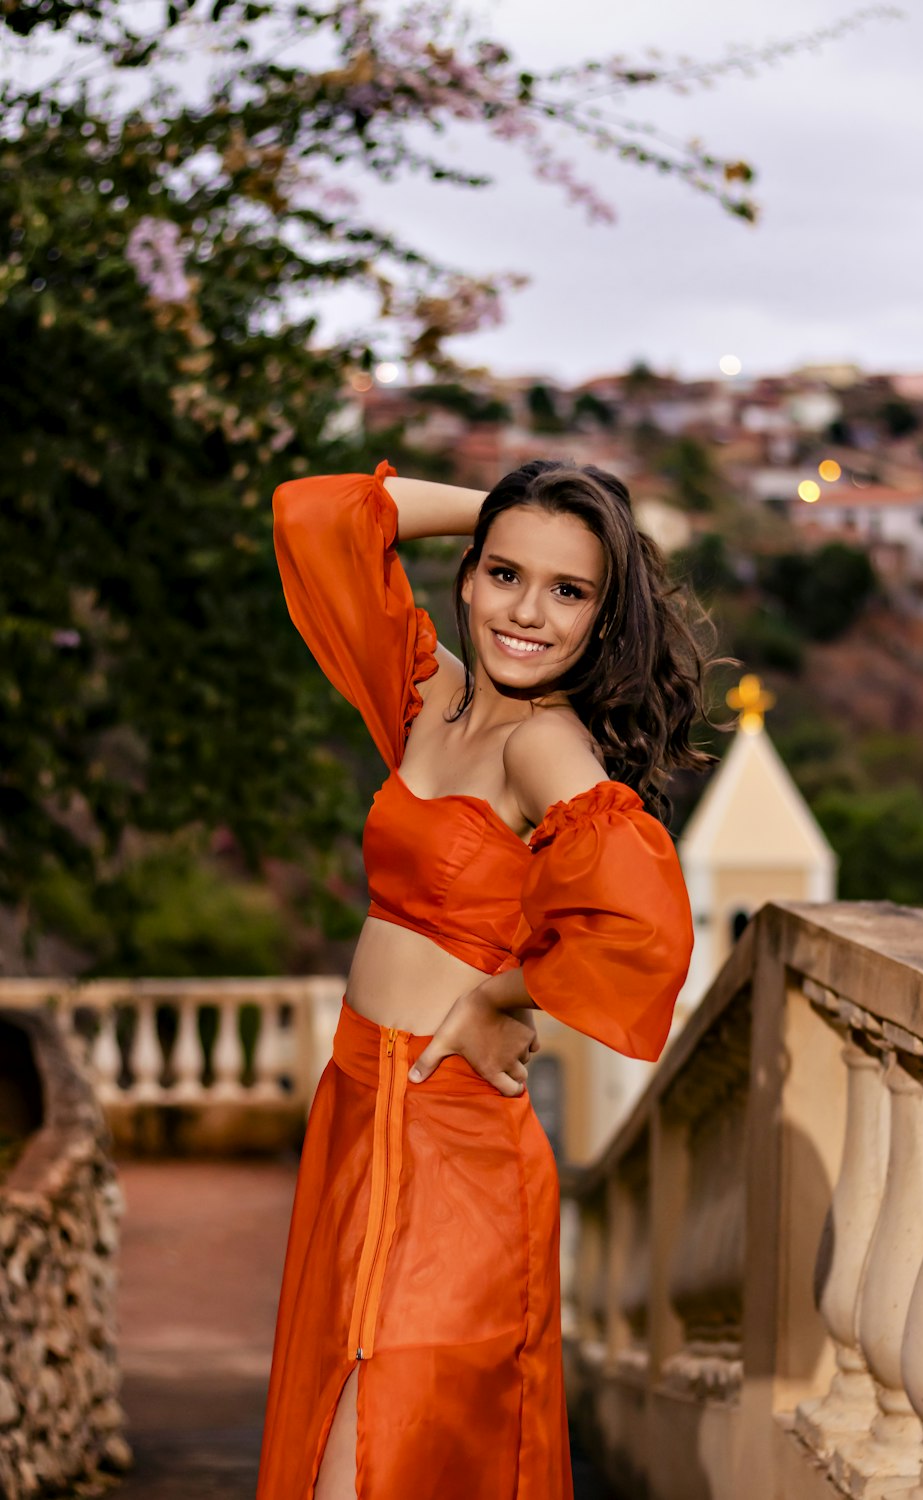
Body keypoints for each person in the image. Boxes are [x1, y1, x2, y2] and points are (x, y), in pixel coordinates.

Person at [257, 458, 710, 1500]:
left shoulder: (547, 745)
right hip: (358, 1108)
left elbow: (641, 921)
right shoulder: (436, 699)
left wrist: (501, 1000)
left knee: (381, 1461)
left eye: (569, 591)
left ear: (603, 620)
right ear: (464, 576)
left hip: (454, 1139)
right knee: (341, 1420)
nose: (528, 613)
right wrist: (513, 506)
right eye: (505, 573)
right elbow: (317, 514)